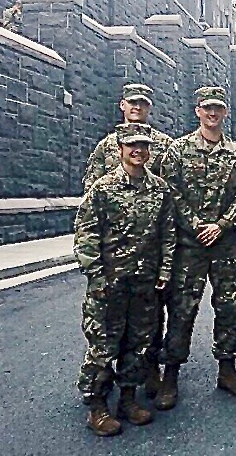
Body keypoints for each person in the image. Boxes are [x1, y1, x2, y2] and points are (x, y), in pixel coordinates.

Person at [74, 123, 175, 437]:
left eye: (143, 146)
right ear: (120, 150)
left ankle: (128, 399)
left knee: (139, 343)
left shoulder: (159, 189)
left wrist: (164, 271)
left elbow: (167, 234)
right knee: (104, 345)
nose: (138, 151)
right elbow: (86, 233)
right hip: (110, 282)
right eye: (132, 146)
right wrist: (95, 274)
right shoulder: (103, 189)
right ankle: (97, 406)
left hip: (144, 283)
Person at [156, 86, 236, 410]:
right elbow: (170, 192)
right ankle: (170, 374)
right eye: (207, 108)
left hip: (225, 244)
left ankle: (227, 368)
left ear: (225, 113)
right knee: (182, 309)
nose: (212, 114)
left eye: (218, 108)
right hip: (190, 244)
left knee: (230, 306)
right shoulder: (178, 151)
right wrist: (196, 224)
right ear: (198, 111)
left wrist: (221, 224)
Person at [83, 84, 173, 192]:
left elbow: (172, 188)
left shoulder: (165, 145)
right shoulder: (106, 145)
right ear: (122, 105)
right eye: (132, 102)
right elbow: (91, 188)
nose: (138, 107)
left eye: (143, 104)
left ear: (149, 108)